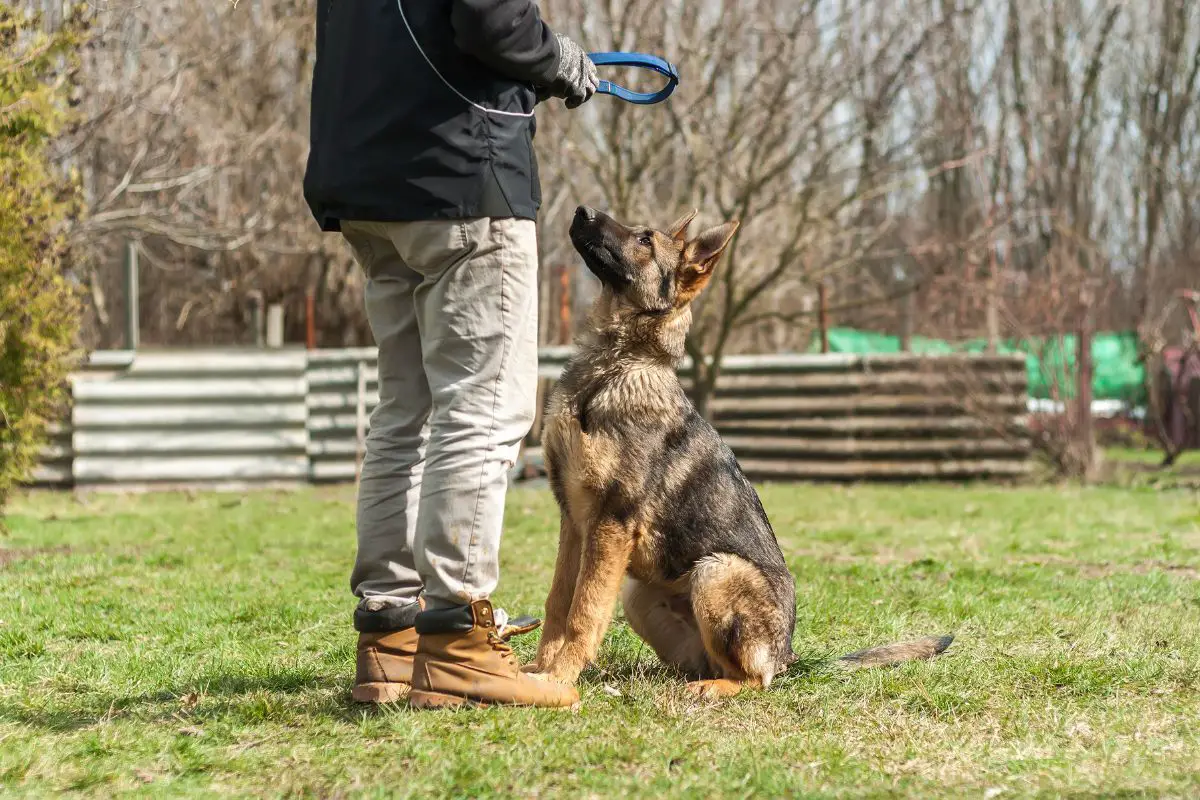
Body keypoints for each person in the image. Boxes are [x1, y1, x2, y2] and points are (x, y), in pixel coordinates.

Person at [303, 0, 597, 708]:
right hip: (462, 175)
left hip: (367, 178)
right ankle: (459, 638)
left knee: (406, 412)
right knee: (484, 407)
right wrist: (556, 58)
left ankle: (389, 637)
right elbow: (490, 18)